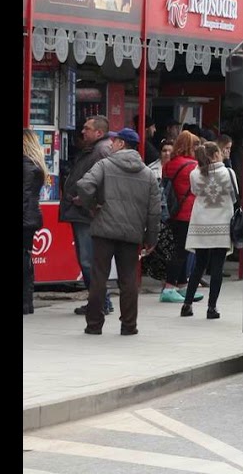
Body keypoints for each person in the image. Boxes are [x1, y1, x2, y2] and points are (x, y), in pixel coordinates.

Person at [72, 128, 161, 335]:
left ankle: (94, 325)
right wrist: (151, 238)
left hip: (104, 229)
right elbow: (155, 210)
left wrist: (92, 206)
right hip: (132, 233)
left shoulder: (104, 165)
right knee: (128, 279)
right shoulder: (148, 174)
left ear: (122, 144)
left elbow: (84, 186)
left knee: (99, 277)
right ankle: (129, 325)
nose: (111, 144)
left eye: (114, 141)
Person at [59, 115, 113, 315]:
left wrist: (85, 199)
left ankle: (100, 303)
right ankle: (100, 301)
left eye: (87, 128)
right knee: (89, 260)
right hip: (83, 212)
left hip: (87, 213)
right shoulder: (94, 149)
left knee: (88, 260)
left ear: (99, 132)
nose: (82, 131)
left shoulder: (101, 151)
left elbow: (105, 182)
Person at [181, 141, 236, 319]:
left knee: (199, 265)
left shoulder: (194, 174)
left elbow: (194, 192)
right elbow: (235, 196)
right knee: (217, 267)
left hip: (200, 223)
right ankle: (211, 308)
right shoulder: (228, 173)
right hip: (222, 224)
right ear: (215, 155)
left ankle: (187, 304)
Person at [161, 131, 204, 303]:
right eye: (195, 145)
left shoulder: (169, 164)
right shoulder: (194, 166)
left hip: (174, 212)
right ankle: (169, 287)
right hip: (189, 213)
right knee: (181, 252)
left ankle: (181, 285)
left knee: (179, 249)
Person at [23, 130, 47, 315]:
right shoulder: (35, 164)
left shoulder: (26, 166)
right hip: (30, 217)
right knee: (26, 260)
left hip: (25, 217)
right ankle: (27, 302)